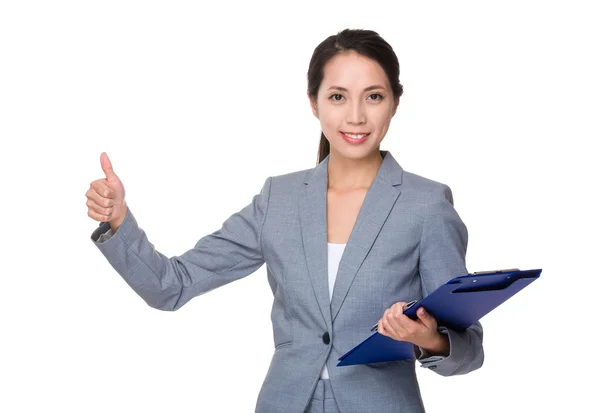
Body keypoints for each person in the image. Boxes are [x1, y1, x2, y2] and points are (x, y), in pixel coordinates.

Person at [86, 28, 484, 413]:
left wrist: (428, 339)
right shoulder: (279, 199)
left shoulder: (427, 205)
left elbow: (470, 349)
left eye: (374, 96)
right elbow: (170, 287)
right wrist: (119, 220)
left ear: (395, 102)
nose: (356, 116)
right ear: (314, 103)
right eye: (338, 97)